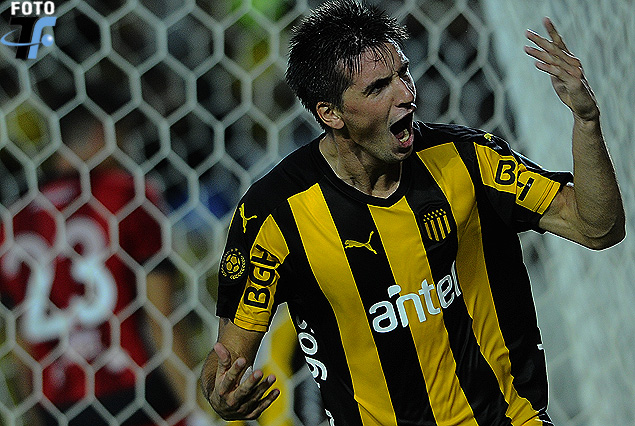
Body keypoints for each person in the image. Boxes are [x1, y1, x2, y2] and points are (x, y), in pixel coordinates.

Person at [200, 0, 625, 424]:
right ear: (330, 113)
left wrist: (586, 122)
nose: (406, 96)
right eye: (377, 88)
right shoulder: (275, 214)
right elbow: (226, 361)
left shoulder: (468, 159)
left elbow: (599, 228)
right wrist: (223, 394)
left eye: (403, 74)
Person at [0, 106, 190, 426]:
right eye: (124, 138)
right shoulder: (127, 195)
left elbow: (21, 348)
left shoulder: (12, 222)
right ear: (103, 135)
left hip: (61, 405)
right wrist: (195, 411)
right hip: (136, 393)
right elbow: (161, 318)